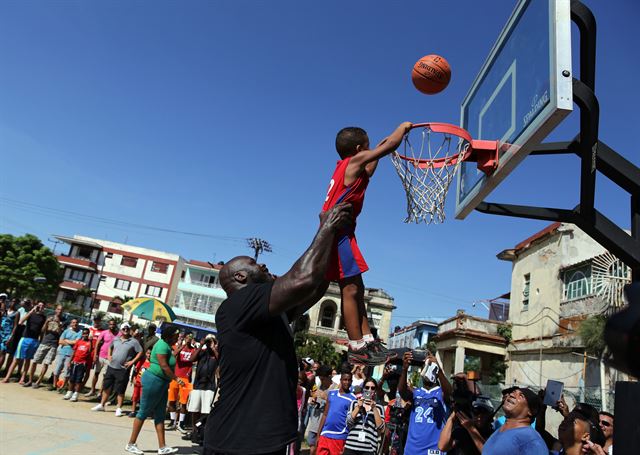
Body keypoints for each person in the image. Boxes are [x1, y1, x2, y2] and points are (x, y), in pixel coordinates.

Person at [202, 202, 353, 455]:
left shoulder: (267, 314)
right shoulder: (238, 304)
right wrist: (325, 227)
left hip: (260, 439)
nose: (263, 265)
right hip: (238, 440)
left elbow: (313, 287)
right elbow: (301, 279)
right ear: (241, 277)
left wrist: (334, 236)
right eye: (254, 263)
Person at [322, 122, 411, 365]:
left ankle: (368, 340)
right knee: (350, 289)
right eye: (368, 148)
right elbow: (391, 144)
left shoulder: (347, 167)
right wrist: (402, 128)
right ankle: (357, 346)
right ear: (360, 149)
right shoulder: (352, 163)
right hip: (337, 230)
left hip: (340, 230)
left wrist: (381, 146)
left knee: (357, 289)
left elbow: (370, 167)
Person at [125, 323, 183, 455]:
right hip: (154, 381)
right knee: (143, 412)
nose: (178, 338)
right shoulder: (162, 345)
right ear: (170, 336)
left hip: (162, 383)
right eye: (176, 336)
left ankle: (162, 447)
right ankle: (131, 444)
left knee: (160, 415)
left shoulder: (167, 345)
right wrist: (176, 378)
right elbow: (163, 366)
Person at [398, 351, 451, 455]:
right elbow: (402, 391)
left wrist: (439, 369)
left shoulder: (441, 393)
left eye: (431, 367)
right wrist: (404, 369)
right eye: (426, 367)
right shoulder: (416, 392)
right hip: (412, 449)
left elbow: (450, 393)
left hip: (433, 450)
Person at [91, 322, 143, 416]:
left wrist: (132, 362)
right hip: (112, 367)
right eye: (124, 329)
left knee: (120, 389)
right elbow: (110, 347)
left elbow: (140, 352)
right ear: (121, 330)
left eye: (127, 329)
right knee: (107, 386)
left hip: (123, 369)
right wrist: (109, 355)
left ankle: (119, 408)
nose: (125, 330)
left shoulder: (134, 341)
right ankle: (102, 405)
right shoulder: (116, 339)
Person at [481, 387, 548, 454]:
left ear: (531, 411)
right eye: (513, 393)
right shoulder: (501, 429)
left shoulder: (531, 440)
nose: (511, 395)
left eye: (521, 396)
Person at [2, 301, 47, 384]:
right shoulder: (31, 314)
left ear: (44, 307)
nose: (40, 307)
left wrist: (40, 341)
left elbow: (42, 331)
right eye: (39, 305)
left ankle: (22, 378)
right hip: (25, 338)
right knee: (16, 359)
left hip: (34, 340)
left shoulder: (44, 317)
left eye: (42, 306)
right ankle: (7, 377)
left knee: (27, 360)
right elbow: (21, 321)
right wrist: (31, 311)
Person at [185, 334, 219, 443]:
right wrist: (201, 346)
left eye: (211, 341)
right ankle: (195, 432)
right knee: (195, 410)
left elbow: (221, 360)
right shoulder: (202, 352)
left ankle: (203, 432)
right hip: (198, 385)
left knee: (206, 412)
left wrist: (214, 348)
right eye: (208, 341)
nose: (209, 343)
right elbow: (191, 359)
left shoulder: (216, 354)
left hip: (209, 387)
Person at [316, 370, 357, 455]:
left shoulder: (353, 398)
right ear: (341, 380)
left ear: (351, 382)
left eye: (349, 380)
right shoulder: (331, 393)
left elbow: (352, 420)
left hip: (340, 436)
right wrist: (318, 434)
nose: (347, 382)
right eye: (345, 379)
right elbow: (325, 414)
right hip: (325, 434)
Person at [343, 377, 385, 455]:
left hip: (368, 449)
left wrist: (374, 408)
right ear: (363, 389)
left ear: (375, 391)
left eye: (372, 388)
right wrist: (358, 407)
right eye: (367, 387)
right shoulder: (354, 403)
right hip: (351, 446)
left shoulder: (379, 407)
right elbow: (348, 423)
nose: (369, 390)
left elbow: (381, 429)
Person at [27, 304, 64, 388]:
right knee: (35, 361)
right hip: (44, 342)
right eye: (58, 309)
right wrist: (47, 322)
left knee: (46, 363)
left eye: (61, 310)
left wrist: (59, 324)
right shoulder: (49, 317)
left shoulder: (64, 320)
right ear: (56, 310)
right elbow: (43, 330)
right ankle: (30, 380)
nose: (59, 311)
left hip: (54, 344)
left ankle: (38, 381)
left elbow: (60, 333)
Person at [167, 331, 196, 433]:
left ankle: (181, 423)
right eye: (187, 337)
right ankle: (172, 421)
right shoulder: (178, 346)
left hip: (185, 378)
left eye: (190, 337)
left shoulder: (193, 350)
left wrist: (191, 345)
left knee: (183, 402)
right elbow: (174, 354)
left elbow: (194, 359)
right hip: (175, 376)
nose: (188, 339)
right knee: (172, 400)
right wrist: (182, 345)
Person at [306, 365, 334, 455]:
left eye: (323, 379)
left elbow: (335, 406)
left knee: (319, 448)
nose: (321, 381)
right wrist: (314, 401)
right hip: (315, 421)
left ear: (329, 377)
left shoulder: (335, 388)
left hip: (324, 424)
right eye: (320, 379)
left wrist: (325, 397)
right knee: (311, 443)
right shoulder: (320, 386)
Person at [86, 318, 118, 397]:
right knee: (96, 373)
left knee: (105, 376)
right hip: (101, 356)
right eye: (110, 324)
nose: (112, 326)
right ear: (108, 324)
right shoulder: (104, 332)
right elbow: (97, 344)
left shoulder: (118, 334)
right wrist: (95, 354)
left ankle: (100, 392)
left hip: (110, 358)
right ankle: (92, 390)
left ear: (116, 325)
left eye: (113, 324)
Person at [52, 318, 81, 391]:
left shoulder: (80, 332)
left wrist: (66, 341)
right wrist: (70, 342)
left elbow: (76, 343)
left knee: (67, 371)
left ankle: (62, 387)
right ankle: (54, 385)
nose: (75, 324)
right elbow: (60, 341)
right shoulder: (66, 331)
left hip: (70, 354)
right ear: (71, 323)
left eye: (76, 322)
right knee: (57, 370)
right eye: (73, 322)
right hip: (61, 353)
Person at [64, 327, 93, 402]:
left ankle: (76, 394)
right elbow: (73, 352)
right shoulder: (78, 342)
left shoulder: (89, 343)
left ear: (88, 334)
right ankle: (69, 392)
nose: (85, 335)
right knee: (72, 378)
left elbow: (89, 353)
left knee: (78, 379)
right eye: (84, 333)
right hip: (74, 362)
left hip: (82, 363)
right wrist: (70, 362)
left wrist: (91, 341)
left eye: (86, 333)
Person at [129, 348, 151, 417]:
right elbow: (136, 370)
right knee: (135, 396)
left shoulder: (152, 364)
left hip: (145, 384)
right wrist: (134, 378)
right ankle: (133, 411)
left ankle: (142, 411)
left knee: (143, 398)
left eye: (150, 354)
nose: (149, 355)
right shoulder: (142, 361)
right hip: (138, 381)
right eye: (148, 353)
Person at [0, 298, 19, 373]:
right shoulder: (4, 310)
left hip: (7, 334)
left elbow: (15, 326)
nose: (13, 303)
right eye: (12, 301)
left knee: (2, 352)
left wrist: (11, 336)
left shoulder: (16, 313)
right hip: (0, 332)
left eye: (15, 302)